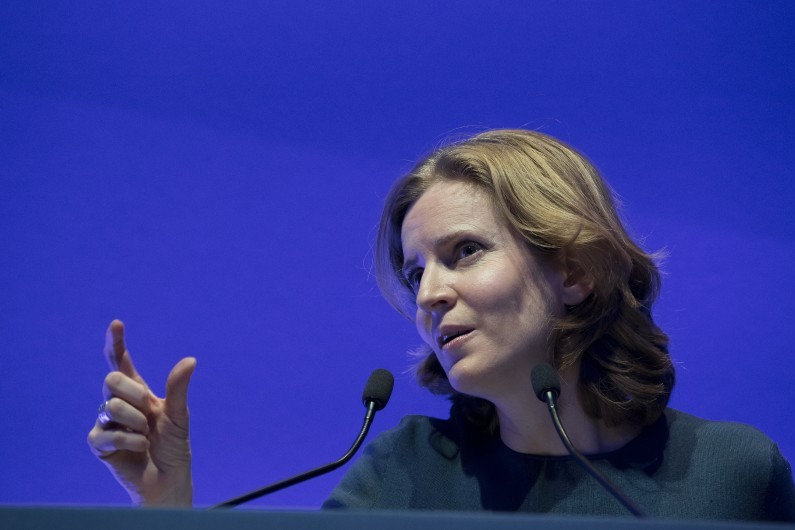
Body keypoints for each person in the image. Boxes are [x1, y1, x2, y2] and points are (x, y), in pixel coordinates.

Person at [87, 129, 795, 520]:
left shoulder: (731, 471)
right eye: (415, 271)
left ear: (575, 270)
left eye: (465, 252)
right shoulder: (404, 475)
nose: (429, 293)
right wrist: (165, 503)